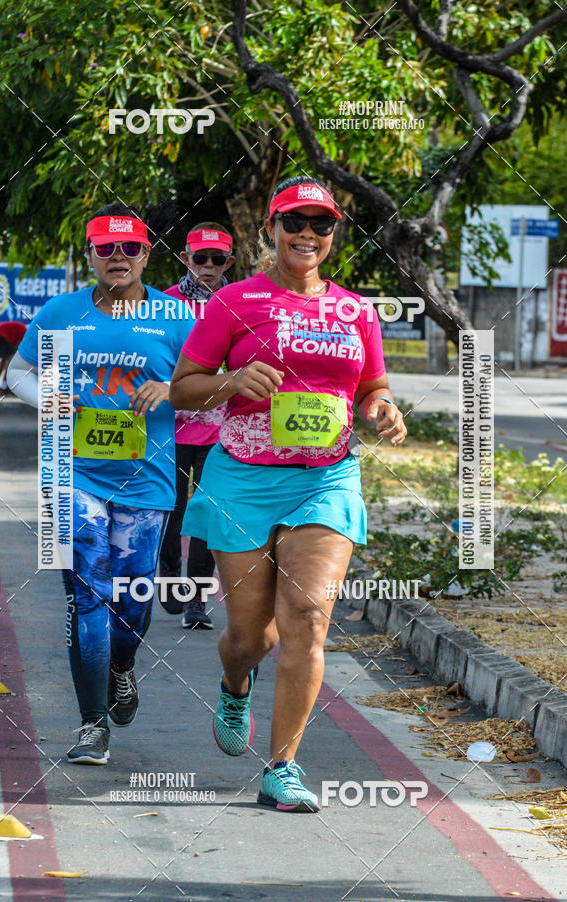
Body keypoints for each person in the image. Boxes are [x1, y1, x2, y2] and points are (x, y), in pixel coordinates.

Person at [169, 176, 407, 811]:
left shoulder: (357, 311)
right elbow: (183, 388)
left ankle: (282, 768)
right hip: (242, 478)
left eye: (321, 224)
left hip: (325, 478)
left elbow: (371, 387)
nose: (307, 233)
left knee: (306, 619)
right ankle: (233, 681)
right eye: (294, 222)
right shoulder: (235, 304)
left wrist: (383, 409)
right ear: (269, 230)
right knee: (253, 636)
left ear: (333, 234)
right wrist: (233, 379)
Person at [8, 202, 193, 764]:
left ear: (146, 254)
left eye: (129, 248)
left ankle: (121, 667)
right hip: (71, 472)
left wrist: (172, 391)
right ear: (90, 253)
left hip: (147, 481)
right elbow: (19, 372)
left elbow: (210, 388)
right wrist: (48, 399)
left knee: (132, 600)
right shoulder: (61, 313)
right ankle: (92, 725)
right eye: (106, 248)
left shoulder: (177, 318)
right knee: (87, 594)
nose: (118, 257)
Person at [158, 223, 235, 630]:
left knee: (206, 512)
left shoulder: (240, 304)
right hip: (168, 429)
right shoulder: (163, 305)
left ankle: (196, 600)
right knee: (170, 508)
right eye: (200, 258)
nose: (207, 266)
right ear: (186, 259)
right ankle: (169, 567)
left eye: (216, 259)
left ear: (229, 263)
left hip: (221, 430)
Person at [0, 320, 27, 393]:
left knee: (5, 360)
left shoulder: (22, 330)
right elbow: (16, 348)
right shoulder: (24, 333)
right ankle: (4, 387)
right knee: (10, 359)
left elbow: (14, 346)